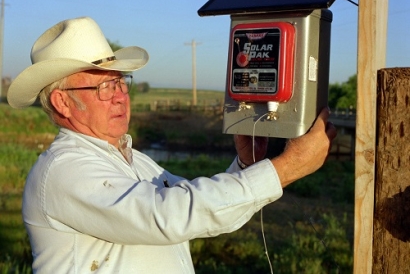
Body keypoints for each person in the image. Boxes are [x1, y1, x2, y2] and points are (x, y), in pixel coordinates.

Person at [7, 16, 337, 273]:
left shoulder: (133, 160)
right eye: (104, 87)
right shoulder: (63, 170)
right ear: (63, 103)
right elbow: (169, 215)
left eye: (121, 82)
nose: (121, 96)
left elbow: (197, 209)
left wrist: (247, 166)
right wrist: (286, 168)